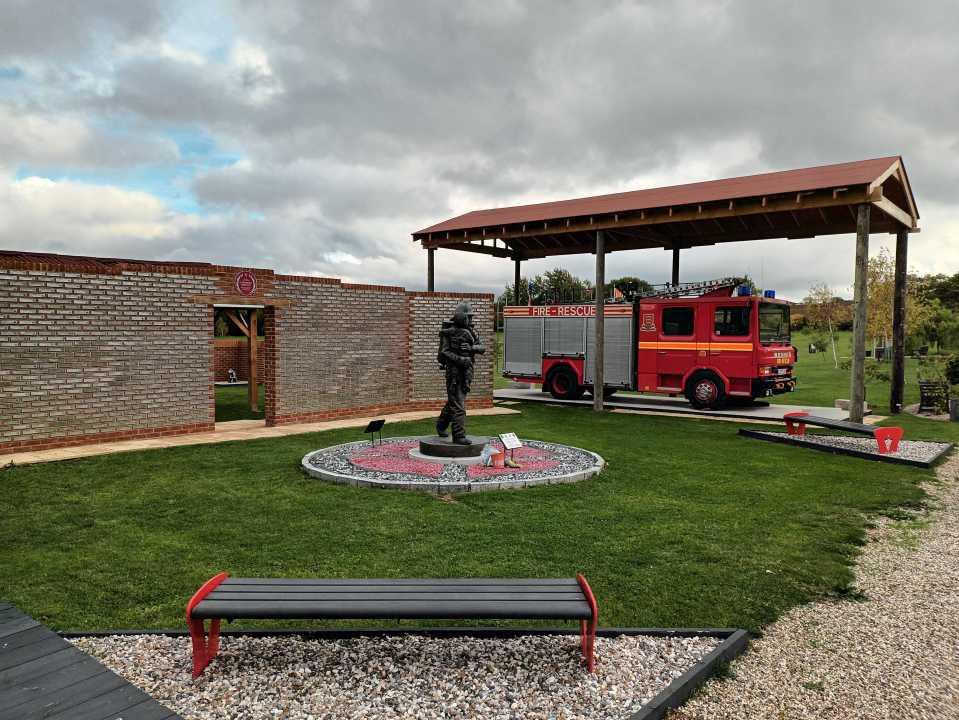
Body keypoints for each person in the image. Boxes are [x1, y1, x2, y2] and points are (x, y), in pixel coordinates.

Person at [436, 301, 485, 443]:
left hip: (467, 372)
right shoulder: (448, 332)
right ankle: (459, 436)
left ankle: (441, 424)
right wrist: (460, 360)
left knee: (455, 401)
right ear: (461, 317)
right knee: (459, 404)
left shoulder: (471, 332)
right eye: (468, 317)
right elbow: (444, 353)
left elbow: (482, 347)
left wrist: (471, 348)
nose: (471, 320)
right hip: (454, 373)